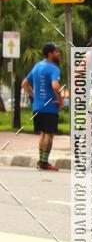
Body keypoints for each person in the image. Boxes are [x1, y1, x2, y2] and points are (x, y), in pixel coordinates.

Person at [21, 42, 63, 171]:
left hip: (37, 107)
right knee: (49, 134)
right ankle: (44, 162)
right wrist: (60, 99)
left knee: (43, 134)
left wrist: (34, 95)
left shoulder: (37, 67)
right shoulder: (54, 68)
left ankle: (41, 160)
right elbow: (55, 86)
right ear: (50, 54)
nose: (59, 54)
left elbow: (24, 84)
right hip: (50, 107)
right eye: (56, 52)